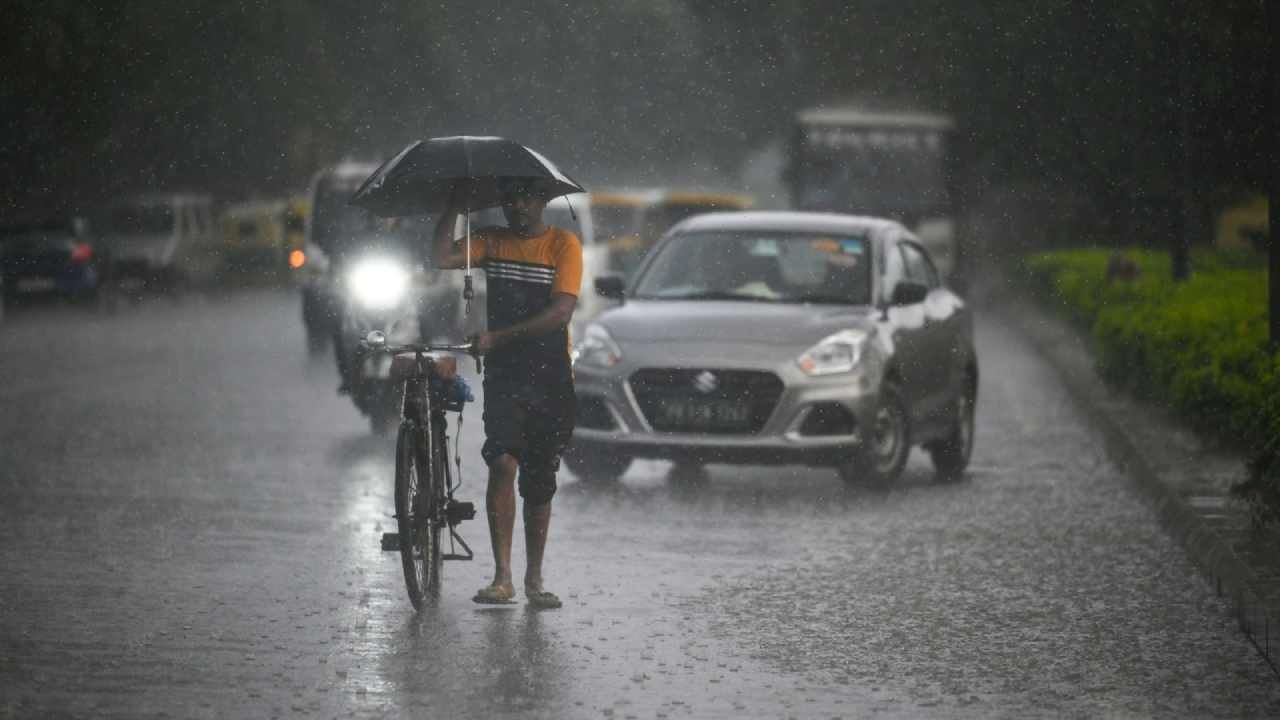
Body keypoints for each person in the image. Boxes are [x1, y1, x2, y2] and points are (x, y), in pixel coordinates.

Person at [430, 178, 582, 609]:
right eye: (510, 197)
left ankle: (534, 578)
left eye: (526, 197)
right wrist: (454, 204)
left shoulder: (563, 245)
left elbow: (561, 312)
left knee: (539, 480)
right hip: (505, 375)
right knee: (501, 462)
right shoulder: (491, 241)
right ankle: (503, 577)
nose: (517, 205)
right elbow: (442, 256)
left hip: (550, 375)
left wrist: (499, 336)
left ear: (543, 201)